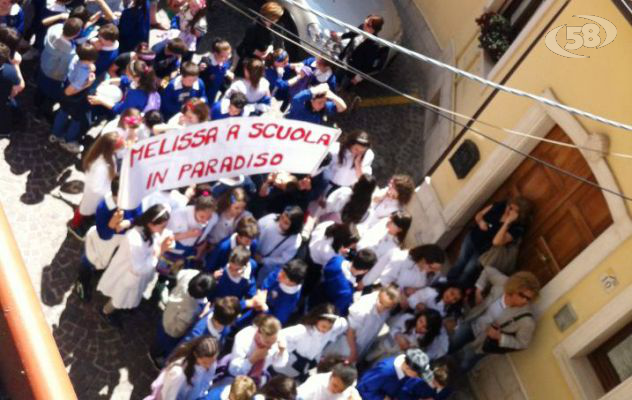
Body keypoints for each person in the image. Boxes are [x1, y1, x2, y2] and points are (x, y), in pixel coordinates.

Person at [449, 268, 540, 372]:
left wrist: (500, 337)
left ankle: (445, 381)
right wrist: (478, 290)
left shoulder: (526, 320)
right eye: (522, 295)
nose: (524, 300)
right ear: (514, 287)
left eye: (528, 299)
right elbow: (487, 270)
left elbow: (522, 343)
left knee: (464, 364)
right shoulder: (503, 283)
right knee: (452, 345)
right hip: (473, 323)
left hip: (483, 343)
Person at [96, 204, 173, 326]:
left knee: (128, 296)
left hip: (136, 276)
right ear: (151, 223)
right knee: (119, 297)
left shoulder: (149, 231)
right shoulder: (134, 238)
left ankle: (122, 308)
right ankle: (105, 312)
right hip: (127, 274)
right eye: (162, 226)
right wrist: (159, 253)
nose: (164, 229)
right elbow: (139, 268)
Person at [75, 176, 138, 302]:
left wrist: (127, 223)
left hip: (119, 242)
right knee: (90, 260)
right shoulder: (104, 207)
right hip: (102, 242)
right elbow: (104, 235)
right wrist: (112, 224)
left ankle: (98, 272)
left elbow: (138, 215)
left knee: (107, 261)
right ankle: (82, 283)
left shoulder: (131, 201)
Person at [447, 197, 532, 287]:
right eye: (510, 207)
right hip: (473, 238)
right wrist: (481, 222)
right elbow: (479, 215)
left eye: (515, 212)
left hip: (484, 251)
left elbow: (496, 242)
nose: (509, 211)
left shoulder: (518, 228)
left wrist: (508, 222)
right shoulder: (500, 206)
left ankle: (455, 290)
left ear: (520, 215)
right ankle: (446, 283)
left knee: (468, 271)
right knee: (461, 261)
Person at [150, 270, 216, 365]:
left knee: (160, 334)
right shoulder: (193, 308)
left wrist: (210, 277)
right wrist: (201, 316)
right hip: (172, 330)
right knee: (166, 343)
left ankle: (154, 349)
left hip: (168, 311)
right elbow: (180, 330)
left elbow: (180, 274)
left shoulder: (190, 274)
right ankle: (156, 356)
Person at [67, 132, 122, 239]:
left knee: (85, 210)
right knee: (84, 212)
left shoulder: (108, 157)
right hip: (96, 196)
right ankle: (75, 227)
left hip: (99, 195)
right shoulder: (100, 166)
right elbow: (96, 187)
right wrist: (111, 191)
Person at [274, 304, 348, 381]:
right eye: (323, 326)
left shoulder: (330, 330)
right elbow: (280, 335)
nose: (326, 330)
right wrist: (282, 350)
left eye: (329, 328)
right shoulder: (302, 330)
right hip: (285, 367)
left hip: (304, 369)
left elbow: (344, 323)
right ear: (316, 320)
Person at [327, 285, 399, 363]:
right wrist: (353, 353)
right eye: (381, 303)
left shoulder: (386, 310)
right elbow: (350, 332)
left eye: (387, 307)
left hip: (360, 347)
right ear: (378, 295)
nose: (382, 308)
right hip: (345, 346)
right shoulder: (363, 308)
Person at [50, 41, 99, 154]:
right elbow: (69, 91)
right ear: (89, 59)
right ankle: (68, 141)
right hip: (74, 97)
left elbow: (90, 66)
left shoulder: (76, 58)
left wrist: (90, 66)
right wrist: (88, 84)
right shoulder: (82, 73)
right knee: (77, 119)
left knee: (63, 112)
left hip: (66, 87)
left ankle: (55, 134)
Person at [36, 17, 82, 120]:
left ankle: (36, 102)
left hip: (44, 66)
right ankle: (40, 113)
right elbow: (66, 68)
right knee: (50, 96)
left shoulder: (54, 29)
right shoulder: (71, 53)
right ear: (77, 34)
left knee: (40, 88)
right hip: (55, 77)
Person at [147, 336, 220, 400]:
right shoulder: (178, 373)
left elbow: (206, 381)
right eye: (205, 362)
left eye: (212, 361)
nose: (209, 366)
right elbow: (167, 397)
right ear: (196, 355)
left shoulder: (211, 363)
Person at [310, 248, 377, 316]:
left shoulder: (337, 260)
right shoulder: (347, 292)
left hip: (312, 295)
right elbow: (337, 312)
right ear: (365, 271)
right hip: (317, 312)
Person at [366, 309, 448, 364]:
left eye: (425, 327)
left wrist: (411, 350)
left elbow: (433, 354)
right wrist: (397, 335)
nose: (420, 326)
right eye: (420, 321)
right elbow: (392, 326)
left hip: (394, 359)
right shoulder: (407, 318)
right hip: (383, 345)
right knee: (366, 358)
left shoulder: (428, 340)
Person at [228, 314, 288, 385]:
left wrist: (281, 352)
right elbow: (233, 371)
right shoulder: (243, 337)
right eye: (267, 342)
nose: (271, 346)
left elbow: (279, 364)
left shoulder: (277, 337)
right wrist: (252, 360)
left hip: (259, 380)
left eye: (274, 342)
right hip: (236, 381)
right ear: (259, 333)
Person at [163, 193, 218, 272]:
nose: (205, 220)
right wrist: (187, 234)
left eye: (209, 217)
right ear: (195, 209)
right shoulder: (178, 214)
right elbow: (164, 236)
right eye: (202, 216)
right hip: (170, 251)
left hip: (189, 254)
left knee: (180, 278)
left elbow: (203, 241)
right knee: (162, 277)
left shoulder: (214, 219)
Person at [362, 244, 446, 294]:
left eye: (436, 269)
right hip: (378, 293)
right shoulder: (401, 259)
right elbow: (385, 280)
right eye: (432, 268)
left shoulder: (428, 273)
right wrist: (400, 293)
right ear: (424, 259)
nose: (433, 271)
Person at [356, 348, 434, 400]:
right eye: (417, 374)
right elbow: (363, 388)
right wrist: (382, 398)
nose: (418, 378)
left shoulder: (407, 373)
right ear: (408, 368)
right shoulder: (384, 371)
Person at [254, 206, 304, 286]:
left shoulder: (295, 240)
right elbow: (255, 230)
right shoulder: (270, 219)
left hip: (268, 267)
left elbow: (283, 259)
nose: (281, 222)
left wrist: (263, 260)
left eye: (286, 223)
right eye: (282, 217)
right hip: (254, 254)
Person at [89, 59, 159, 115]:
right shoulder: (145, 80)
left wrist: (101, 101)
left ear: (136, 77)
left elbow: (120, 110)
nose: (125, 72)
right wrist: (109, 81)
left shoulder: (136, 95)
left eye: (127, 72)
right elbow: (126, 80)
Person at [333, 15, 385, 88]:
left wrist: (358, 77)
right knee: (336, 76)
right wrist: (340, 36)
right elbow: (352, 33)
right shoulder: (362, 27)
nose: (364, 25)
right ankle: (334, 84)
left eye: (367, 24)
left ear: (373, 29)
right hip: (344, 59)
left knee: (344, 85)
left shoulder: (374, 45)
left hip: (352, 70)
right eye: (365, 21)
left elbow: (368, 64)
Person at [235, 1, 284, 71]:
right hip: (249, 56)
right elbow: (248, 46)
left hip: (262, 53)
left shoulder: (270, 24)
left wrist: (270, 47)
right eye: (277, 18)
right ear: (271, 17)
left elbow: (271, 39)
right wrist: (261, 55)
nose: (277, 20)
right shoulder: (253, 27)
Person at [0, 43, 19, 136]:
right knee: (4, 115)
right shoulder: (10, 71)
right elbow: (16, 84)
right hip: (3, 99)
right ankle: (4, 131)